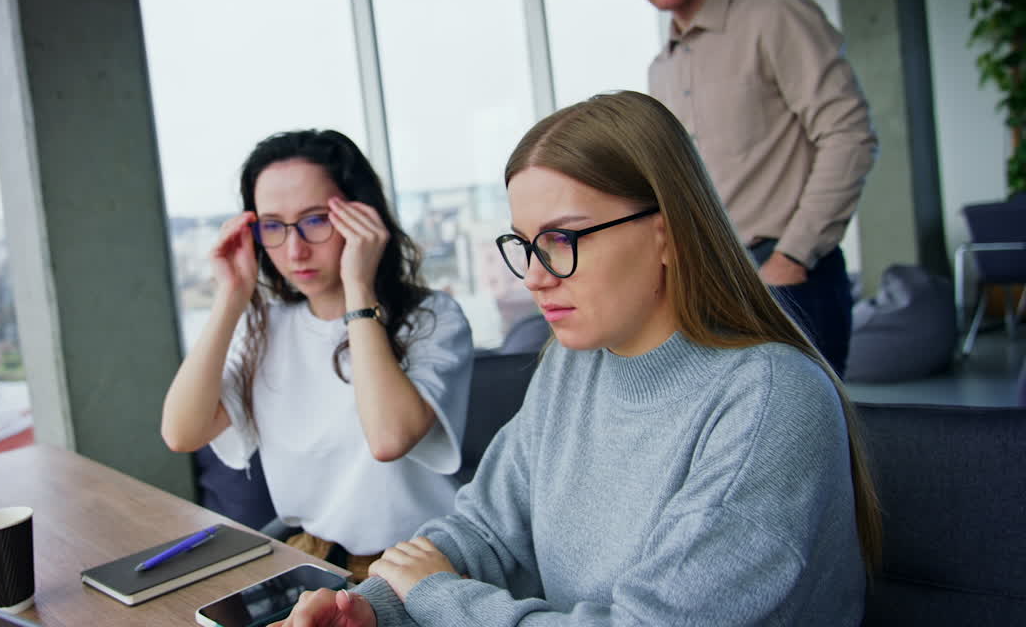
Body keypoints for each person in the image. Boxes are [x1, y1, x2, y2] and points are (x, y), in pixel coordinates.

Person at [276, 92, 881, 626]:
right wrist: (373, 611)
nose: (535, 277)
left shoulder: (770, 401)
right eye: (524, 244)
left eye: (562, 239)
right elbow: (487, 533)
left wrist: (436, 596)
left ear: (666, 232)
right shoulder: (574, 365)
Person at [160, 129, 473, 583]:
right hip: (314, 559)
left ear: (361, 219)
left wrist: (359, 289)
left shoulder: (430, 317)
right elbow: (181, 432)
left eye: (315, 220)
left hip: (422, 563)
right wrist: (231, 296)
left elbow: (389, 439)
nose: (295, 249)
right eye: (273, 225)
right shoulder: (263, 325)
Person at [613, 0, 878, 376]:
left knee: (807, 439)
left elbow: (849, 134)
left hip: (789, 277)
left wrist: (792, 256)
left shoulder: (776, 17)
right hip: (713, 282)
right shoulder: (662, 68)